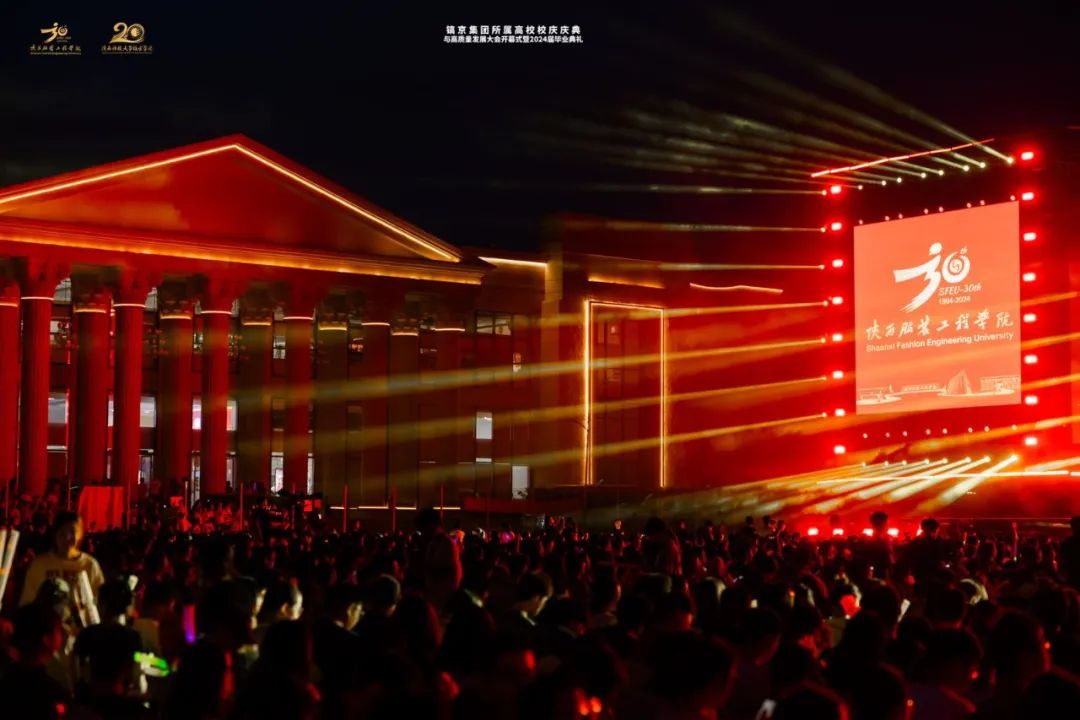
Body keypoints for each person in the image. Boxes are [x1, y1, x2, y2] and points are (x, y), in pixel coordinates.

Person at [19, 511, 105, 614]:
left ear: (80, 534)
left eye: (72, 531)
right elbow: (27, 605)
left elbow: (101, 602)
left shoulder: (90, 565)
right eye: (62, 532)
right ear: (55, 534)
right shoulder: (39, 565)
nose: (67, 537)